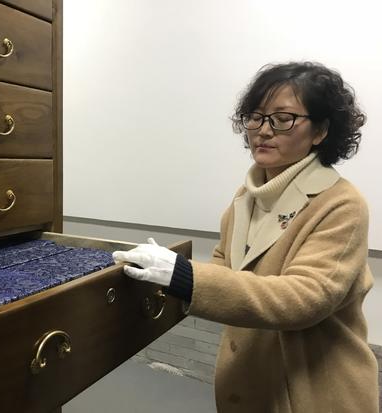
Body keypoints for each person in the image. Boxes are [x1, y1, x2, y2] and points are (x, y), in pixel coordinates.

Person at [113, 62, 379, 413]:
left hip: (314, 391)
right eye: (256, 117)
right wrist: (160, 277)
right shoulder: (246, 198)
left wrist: (184, 275)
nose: (263, 131)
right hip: (251, 382)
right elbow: (224, 269)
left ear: (320, 131)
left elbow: (304, 298)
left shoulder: (341, 203)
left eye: (282, 119)